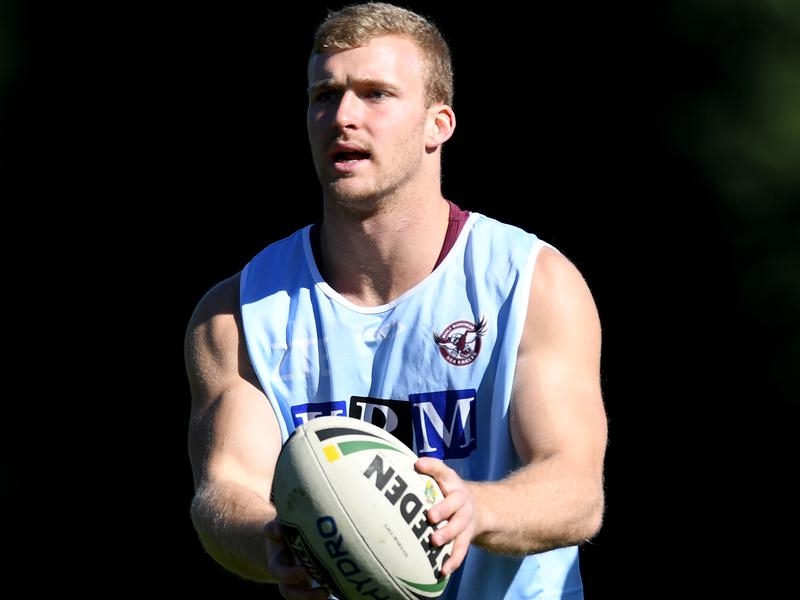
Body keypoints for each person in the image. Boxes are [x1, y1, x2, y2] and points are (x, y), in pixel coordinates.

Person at [185, 2, 608, 598]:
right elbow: (224, 489)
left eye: (376, 94)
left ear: (439, 124)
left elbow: (576, 490)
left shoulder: (530, 282)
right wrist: (273, 542)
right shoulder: (237, 312)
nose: (343, 117)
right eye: (324, 95)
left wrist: (477, 509)